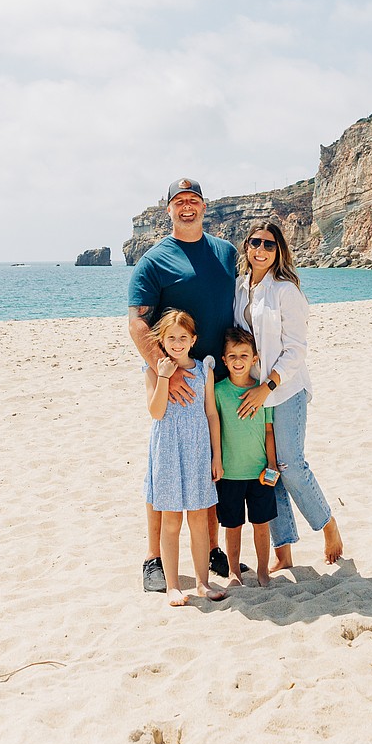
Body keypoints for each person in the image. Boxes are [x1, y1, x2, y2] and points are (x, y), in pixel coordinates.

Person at [128, 177, 238, 592]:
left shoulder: (226, 253)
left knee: (207, 464)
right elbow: (138, 321)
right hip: (170, 376)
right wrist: (162, 369)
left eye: (193, 200)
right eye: (179, 202)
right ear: (168, 209)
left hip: (215, 374)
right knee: (164, 467)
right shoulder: (154, 260)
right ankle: (153, 558)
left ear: (204, 207)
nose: (187, 207)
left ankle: (210, 548)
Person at [234, 221, 343, 570]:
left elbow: (296, 349)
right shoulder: (240, 287)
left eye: (269, 244)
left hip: (285, 389)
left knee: (290, 466)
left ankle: (329, 525)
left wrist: (268, 385)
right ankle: (284, 552)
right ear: (247, 247)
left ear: (278, 250)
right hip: (253, 392)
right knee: (269, 470)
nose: (261, 250)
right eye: (255, 243)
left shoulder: (285, 290)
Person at [145, 309, 226, 606]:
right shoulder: (154, 370)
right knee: (170, 521)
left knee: (199, 519)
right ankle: (173, 586)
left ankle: (203, 583)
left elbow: (211, 413)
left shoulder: (204, 370)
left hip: (197, 451)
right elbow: (156, 412)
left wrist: (216, 456)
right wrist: (164, 377)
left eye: (183, 338)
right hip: (167, 451)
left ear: (193, 340)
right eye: (171, 338)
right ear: (162, 341)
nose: (177, 343)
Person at [215, 327, 279, 588]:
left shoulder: (263, 393)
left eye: (244, 355)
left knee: (261, 525)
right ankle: (234, 572)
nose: (238, 361)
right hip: (230, 473)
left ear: (255, 358)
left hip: (260, 473)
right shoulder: (218, 392)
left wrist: (272, 465)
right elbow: (214, 429)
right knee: (233, 526)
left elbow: (268, 430)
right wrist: (216, 462)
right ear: (224, 360)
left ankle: (263, 571)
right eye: (232, 356)